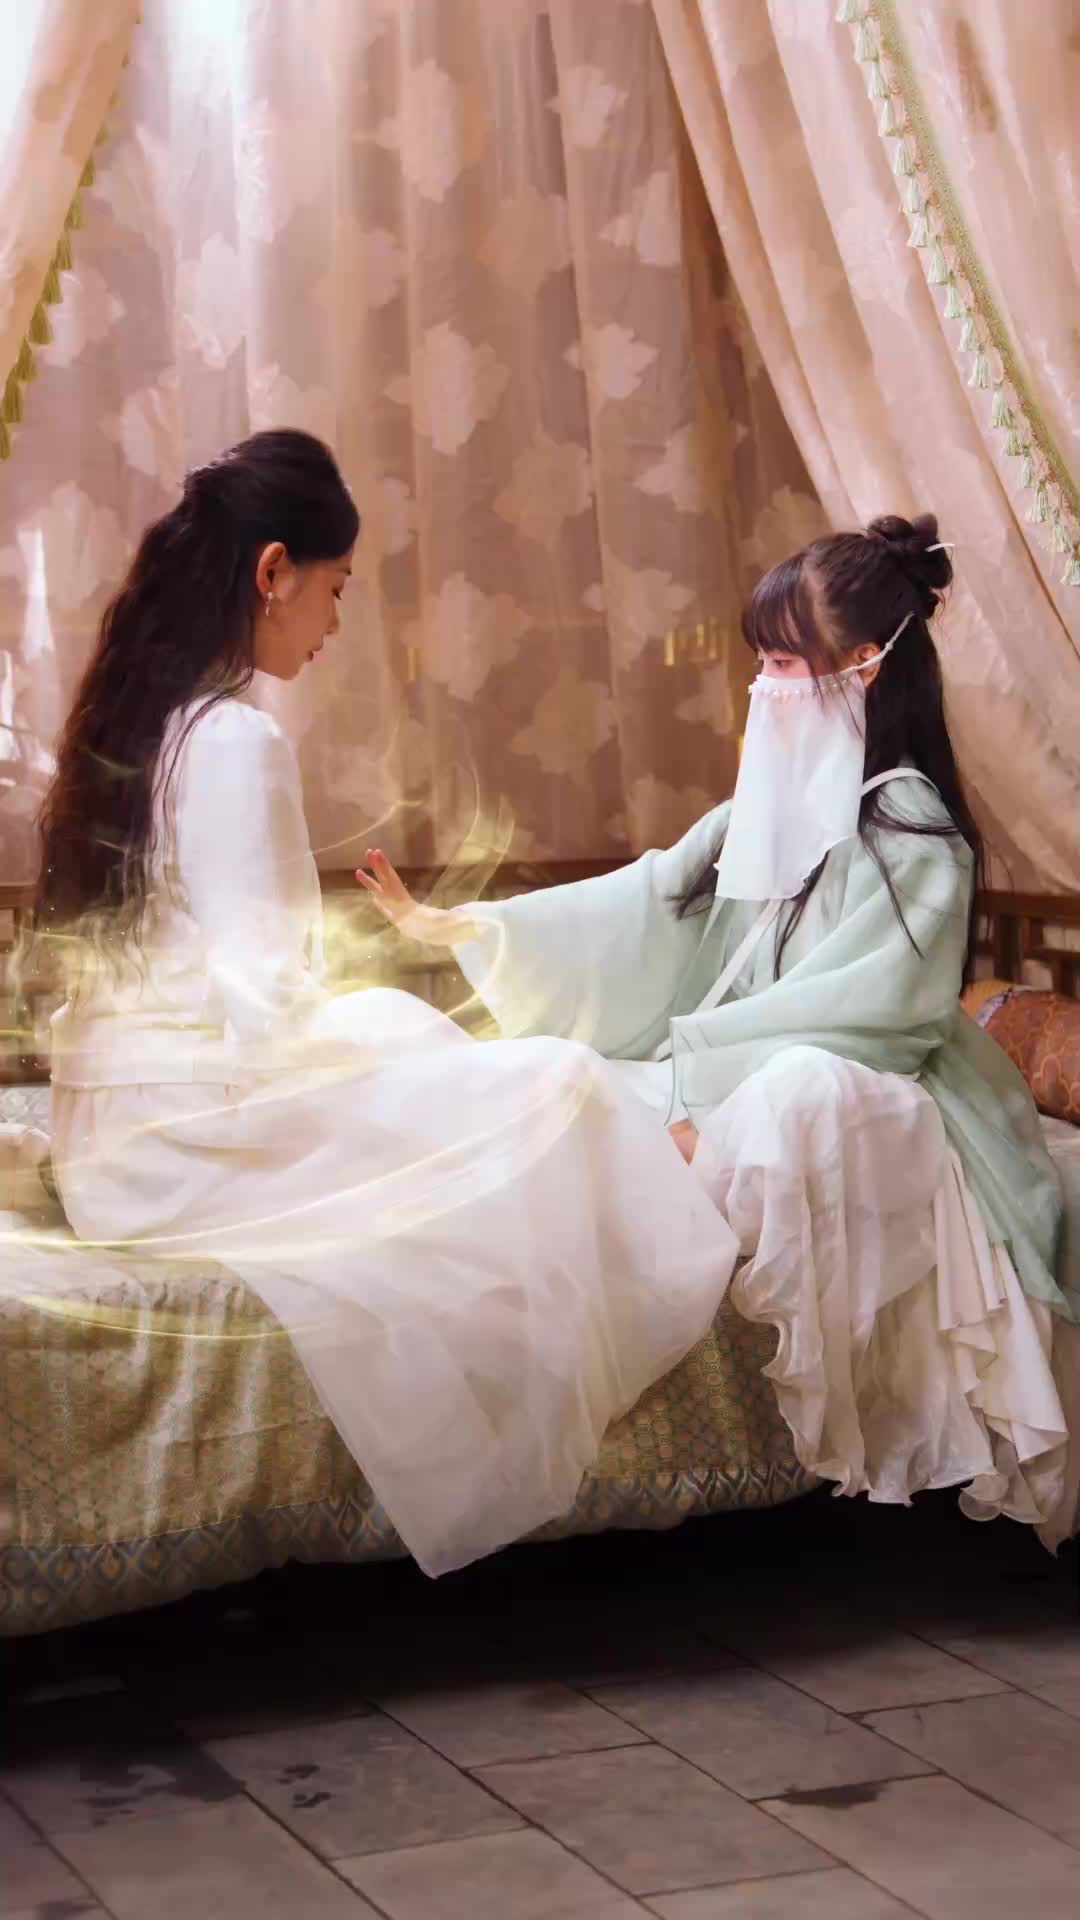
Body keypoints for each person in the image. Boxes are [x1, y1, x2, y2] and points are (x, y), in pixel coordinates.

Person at [32, 429, 739, 1578]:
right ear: (273, 572)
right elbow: (268, 1006)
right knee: (550, 1086)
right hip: (183, 1149)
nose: (335, 623)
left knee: (429, 1047)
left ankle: (640, 1133)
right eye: (336, 589)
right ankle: (678, 1163)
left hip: (115, 1145)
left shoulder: (147, 723)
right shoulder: (235, 739)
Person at [361, 515, 1073, 1537]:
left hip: (890, 1079)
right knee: (554, 1078)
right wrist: (465, 927)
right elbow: (653, 898)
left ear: (865, 664)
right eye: (763, 661)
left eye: (782, 662)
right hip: (753, 1060)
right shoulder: (776, 800)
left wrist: (715, 1061)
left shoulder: (914, 828)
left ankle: (672, 1156)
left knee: (802, 1092)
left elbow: (884, 1008)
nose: (762, 685)